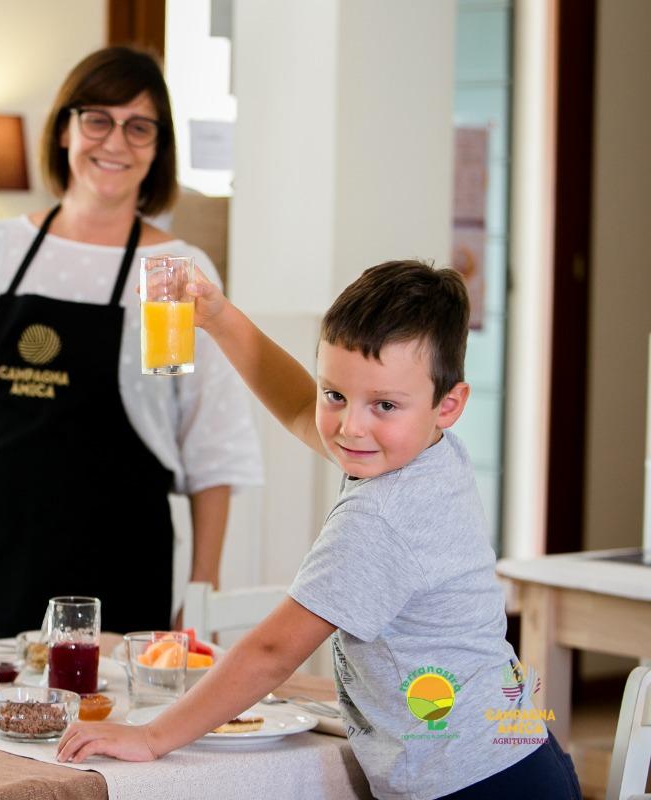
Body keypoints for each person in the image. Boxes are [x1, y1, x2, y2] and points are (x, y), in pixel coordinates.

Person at [56, 262, 583, 800]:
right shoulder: (426, 450)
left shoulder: (379, 519)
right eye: (335, 394)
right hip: (517, 756)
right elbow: (297, 407)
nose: (350, 426)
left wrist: (152, 736)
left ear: (448, 405)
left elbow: (272, 652)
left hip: (476, 785)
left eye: (383, 405)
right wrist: (217, 317)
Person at [0, 46, 261, 641]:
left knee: (104, 731)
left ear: (158, 148)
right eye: (98, 119)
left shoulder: (176, 270)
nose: (115, 142)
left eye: (139, 127)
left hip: (115, 572)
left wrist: (202, 596)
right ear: (65, 128)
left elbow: (213, 446)